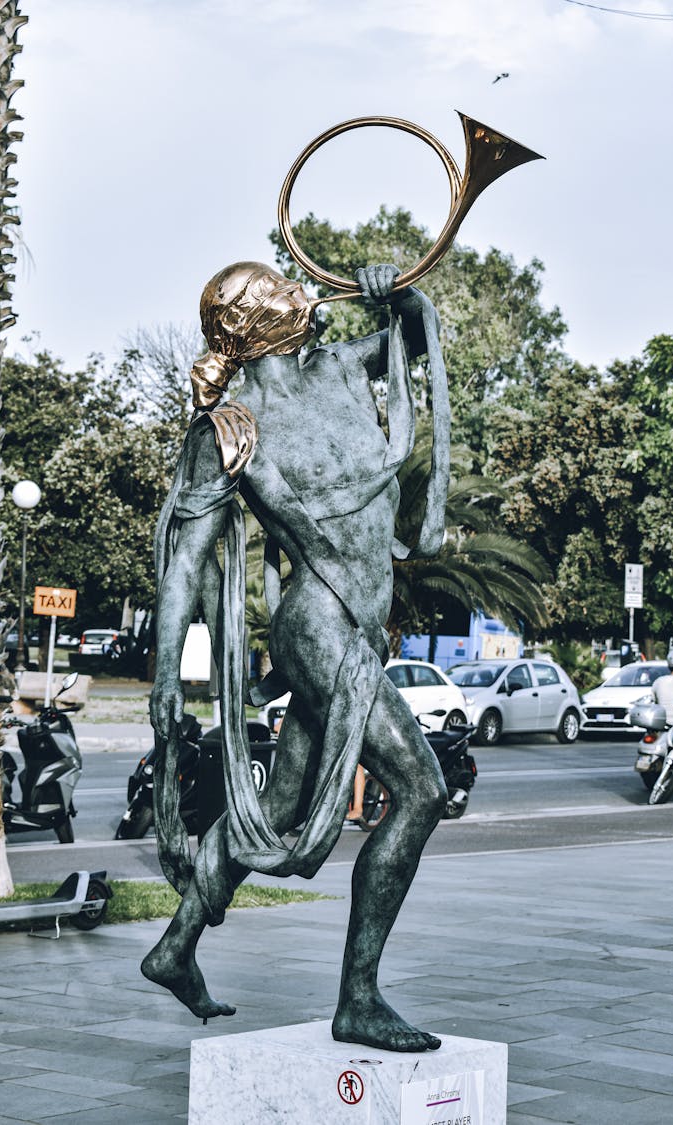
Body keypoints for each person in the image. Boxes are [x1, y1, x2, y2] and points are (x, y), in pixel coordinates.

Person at [146, 260, 451, 1052]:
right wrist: (164, 680)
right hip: (318, 627)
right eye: (277, 288)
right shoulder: (232, 425)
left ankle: (175, 946)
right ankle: (359, 997)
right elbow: (185, 560)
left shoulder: (342, 365)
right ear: (247, 325)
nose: (298, 289)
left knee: (278, 809)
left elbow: (415, 335)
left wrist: (399, 294)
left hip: (355, 626)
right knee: (422, 788)